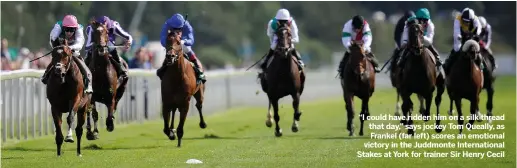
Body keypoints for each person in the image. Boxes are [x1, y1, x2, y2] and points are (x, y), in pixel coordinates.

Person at [42, 14, 92, 93]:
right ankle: (46, 75)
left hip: (74, 51)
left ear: (75, 29)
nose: (69, 32)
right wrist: (58, 48)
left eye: (71, 30)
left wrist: (69, 48)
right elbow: (52, 38)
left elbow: (79, 44)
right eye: (67, 29)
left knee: (82, 63)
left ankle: (88, 82)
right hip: (61, 50)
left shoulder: (79, 28)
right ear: (63, 27)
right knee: (56, 59)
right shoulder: (58, 25)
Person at [157, 13, 206, 83]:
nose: (177, 30)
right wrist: (170, 44)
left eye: (179, 28)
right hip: (172, 43)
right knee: (170, 52)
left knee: (187, 48)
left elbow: (191, 40)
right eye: (174, 28)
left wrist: (184, 41)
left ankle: (198, 69)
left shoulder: (187, 25)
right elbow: (162, 40)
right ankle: (163, 69)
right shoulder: (167, 24)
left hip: (184, 42)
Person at [444, 7, 482, 72]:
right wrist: (459, 36)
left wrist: (475, 34)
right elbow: (456, 31)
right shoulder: (458, 19)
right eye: (464, 21)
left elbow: (479, 29)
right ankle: (446, 67)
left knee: (478, 52)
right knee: (456, 50)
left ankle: (481, 65)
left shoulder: (476, 19)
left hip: (472, 36)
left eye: (468, 22)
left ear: (472, 20)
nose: (466, 23)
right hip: (461, 37)